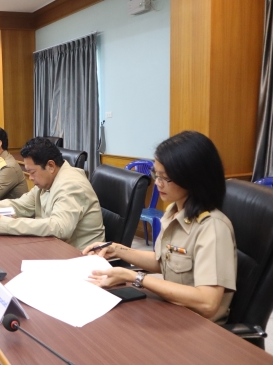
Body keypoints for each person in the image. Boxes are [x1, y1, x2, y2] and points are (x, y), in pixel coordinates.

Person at [83, 131, 236, 322]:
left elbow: (207, 302)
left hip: (199, 326)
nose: (157, 184)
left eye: (165, 178)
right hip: (171, 311)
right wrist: (117, 249)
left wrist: (136, 277)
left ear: (192, 178)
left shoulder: (212, 228)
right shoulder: (174, 210)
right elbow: (163, 261)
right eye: (156, 175)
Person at [0, 137, 104, 250]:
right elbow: (21, 204)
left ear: (50, 166)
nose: (30, 178)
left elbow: (59, 228)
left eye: (32, 172)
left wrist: (4, 223)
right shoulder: (48, 180)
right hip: (54, 248)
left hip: (80, 257)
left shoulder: (71, 184)